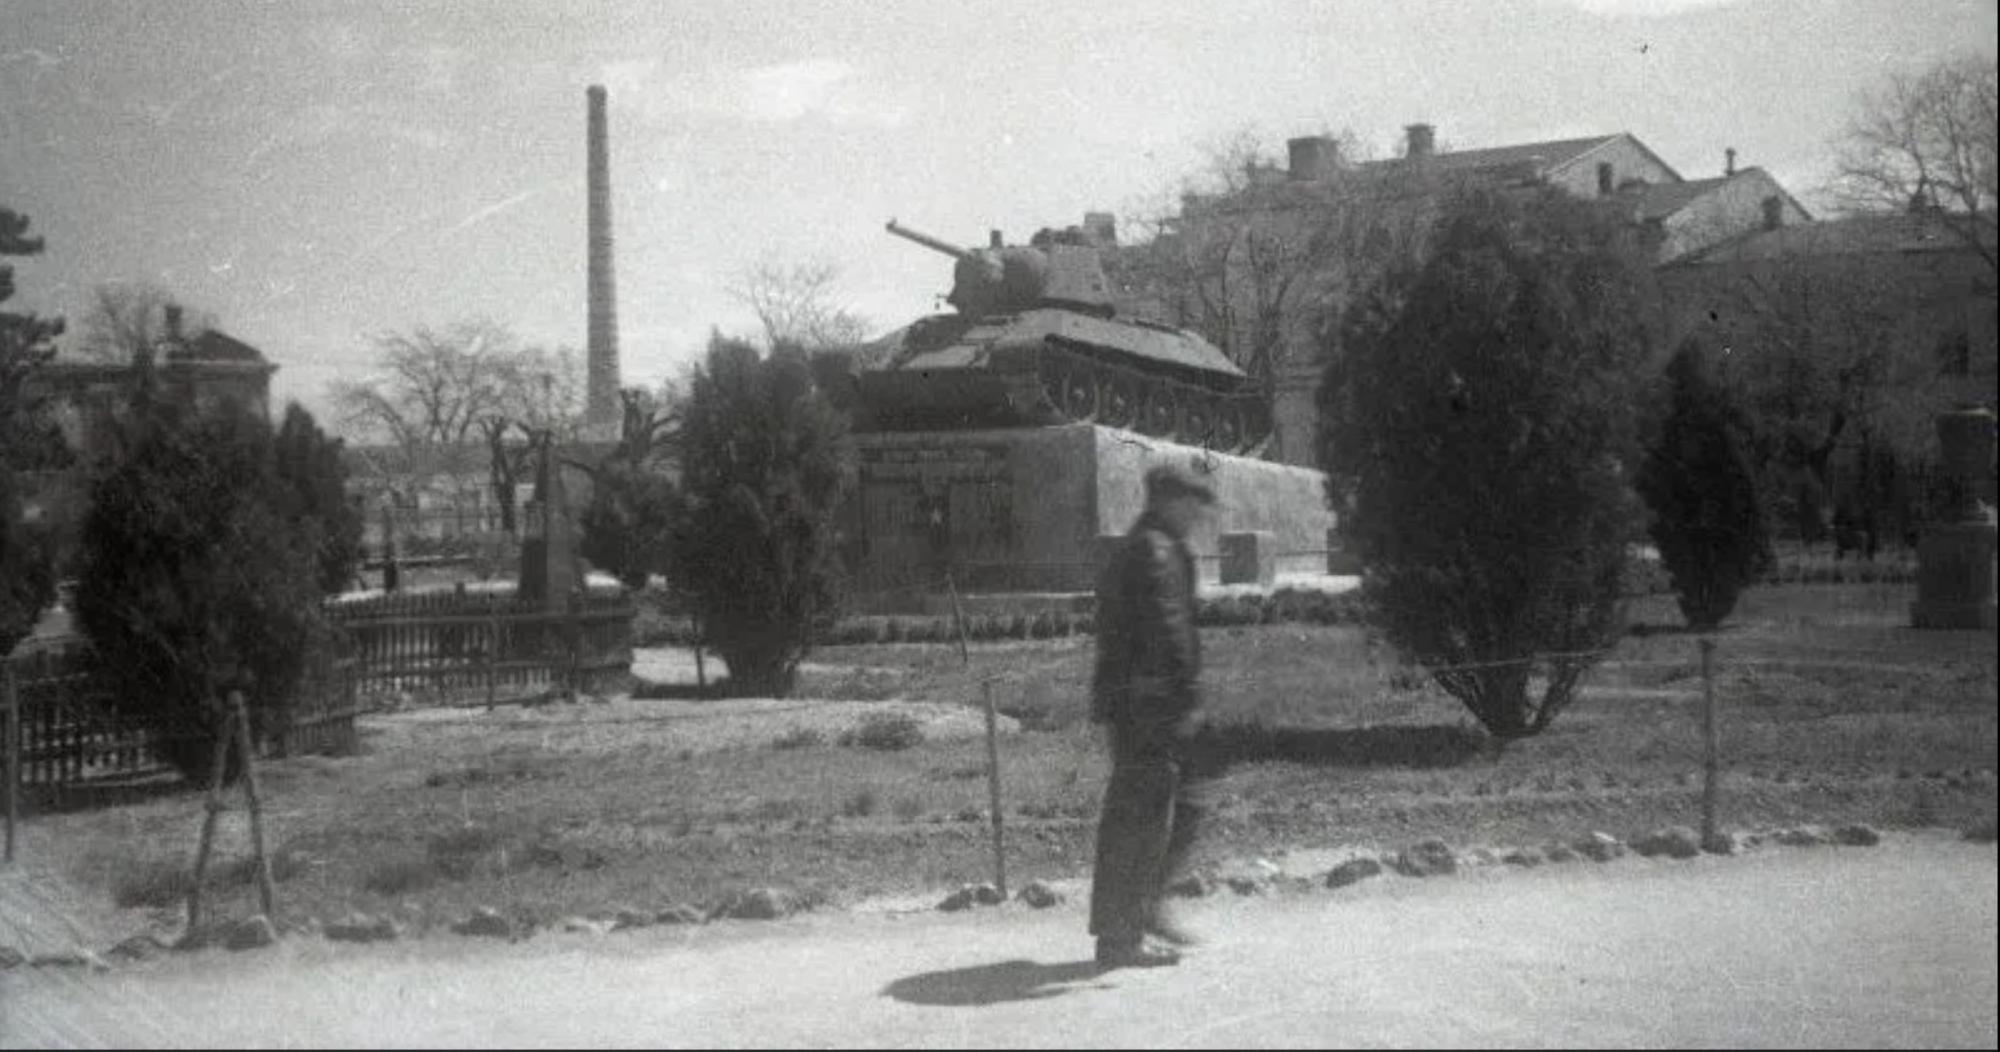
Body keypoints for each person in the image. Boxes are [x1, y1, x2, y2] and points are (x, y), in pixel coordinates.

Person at [1087, 461, 1219, 970]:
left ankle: (1144, 911)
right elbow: (1168, 630)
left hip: (1137, 704)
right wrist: (1185, 698)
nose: (1199, 515)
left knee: (1180, 800)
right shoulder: (1155, 550)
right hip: (1151, 706)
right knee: (1139, 820)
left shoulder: (1146, 544)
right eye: (1193, 504)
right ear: (1170, 501)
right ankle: (1121, 937)